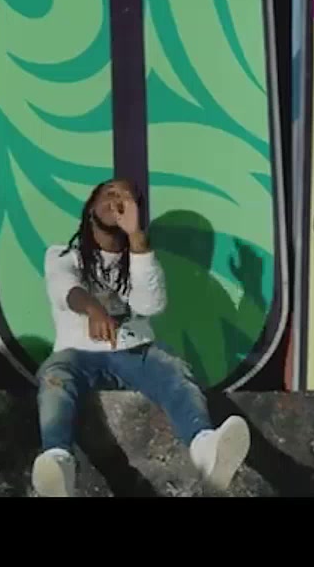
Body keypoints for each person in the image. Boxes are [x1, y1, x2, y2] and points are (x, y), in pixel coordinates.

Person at [31, 178, 250, 497]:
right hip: (77, 353)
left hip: (134, 350)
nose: (117, 201)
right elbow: (63, 287)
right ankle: (57, 464)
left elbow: (151, 305)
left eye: (127, 198)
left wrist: (136, 236)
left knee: (173, 370)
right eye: (110, 194)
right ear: (91, 207)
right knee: (55, 377)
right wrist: (93, 309)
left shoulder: (139, 258)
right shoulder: (63, 254)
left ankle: (206, 448)